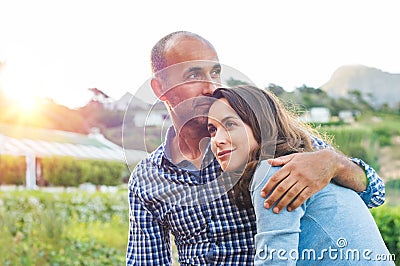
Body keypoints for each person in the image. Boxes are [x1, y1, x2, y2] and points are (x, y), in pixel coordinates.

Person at [126, 31, 385, 265]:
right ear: (160, 88)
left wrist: (335, 164)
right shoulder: (146, 179)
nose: (211, 86)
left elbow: (375, 193)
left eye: (215, 72)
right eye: (193, 75)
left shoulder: (269, 143)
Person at [207, 85, 393, 265]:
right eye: (212, 130)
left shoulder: (275, 171)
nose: (217, 140)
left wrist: (337, 162)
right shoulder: (301, 160)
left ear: (261, 124)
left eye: (230, 124)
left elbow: (275, 261)